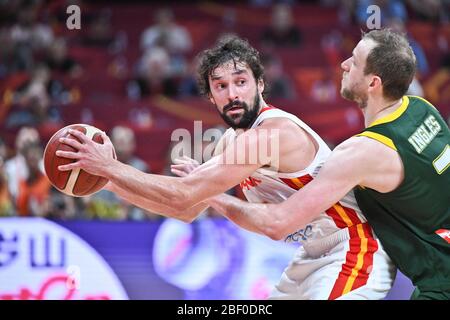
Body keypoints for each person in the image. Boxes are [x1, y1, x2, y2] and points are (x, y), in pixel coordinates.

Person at [56, 36, 395, 299]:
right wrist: (105, 182)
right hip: (311, 256)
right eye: (220, 86)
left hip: (353, 249)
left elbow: (185, 195)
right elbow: (187, 210)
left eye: (240, 82)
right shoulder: (228, 143)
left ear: (260, 84)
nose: (232, 93)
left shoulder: (273, 133)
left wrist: (111, 167)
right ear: (211, 97)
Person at [177, 30, 450, 300]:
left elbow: (279, 222)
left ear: (373, 83)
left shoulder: (361, 152)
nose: (343, 64)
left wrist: (210, 195)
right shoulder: (422, 110)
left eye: (353, 62)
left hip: (437, 279)